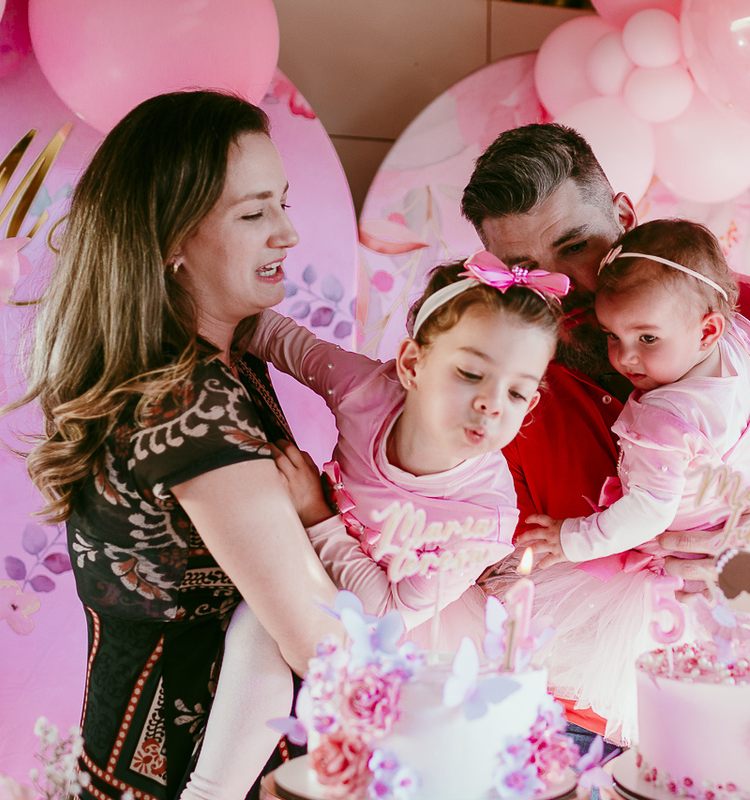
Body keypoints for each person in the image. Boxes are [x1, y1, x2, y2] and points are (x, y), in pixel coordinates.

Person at [461, 123, 750, 741]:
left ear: (622, 213)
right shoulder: (491, 376)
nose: (567, 287)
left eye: (575, 245)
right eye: (527, 268)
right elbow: (477, 566)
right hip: (569, 705)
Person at [0, 90, 343, 800]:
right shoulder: (187, 400)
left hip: (135, 756)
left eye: (282, 202)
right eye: (253, 214)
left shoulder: (198, 364)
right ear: (171, 242)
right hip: (180, 775)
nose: (287, 234)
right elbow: (320, 642)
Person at [182, 254, 566, 800]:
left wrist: (317, 517)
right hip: (328, 579)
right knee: (260, 616)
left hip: (410, 639)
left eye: (516, 392)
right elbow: (281, 339)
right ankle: (210, 792)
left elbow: (386, 617)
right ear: (411, 364)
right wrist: (201, 301)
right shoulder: (367, 390)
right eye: (471, 373)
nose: (490, 403)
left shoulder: (486, 515)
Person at [514, 218, 750, 742]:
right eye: (613, 336)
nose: (625, 357)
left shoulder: (661, 422)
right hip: (743, 521)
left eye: (646, 338)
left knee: (672, 681)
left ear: (708, 328)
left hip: (680, 560)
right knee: (741, 670)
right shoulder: (744, 346)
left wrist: (570, 539)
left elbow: (648, 511)